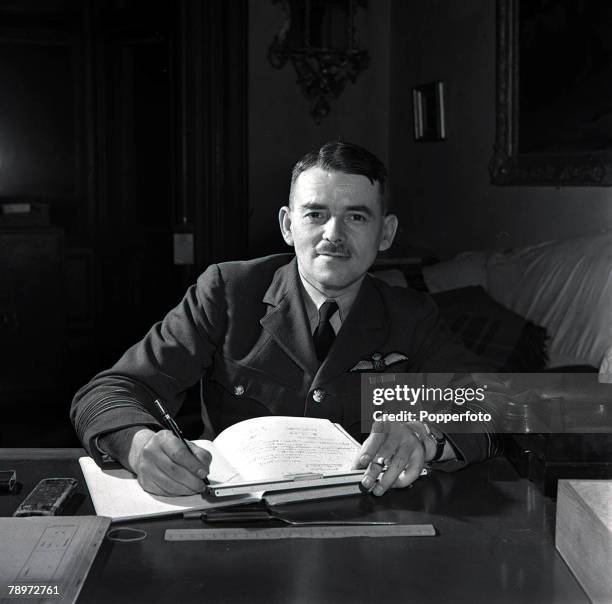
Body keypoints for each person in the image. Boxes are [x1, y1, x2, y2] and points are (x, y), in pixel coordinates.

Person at [71, 141, 500, 497]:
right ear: (287, 225)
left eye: (356, 216)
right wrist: (139, 443)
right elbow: (108, 391)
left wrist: (426, 434)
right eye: (315, 214)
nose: (333, 233)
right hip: (238, 520)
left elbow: (507, 404)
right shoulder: (227, 292)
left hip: (373, 518)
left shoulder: (412, 315)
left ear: (385, 234)